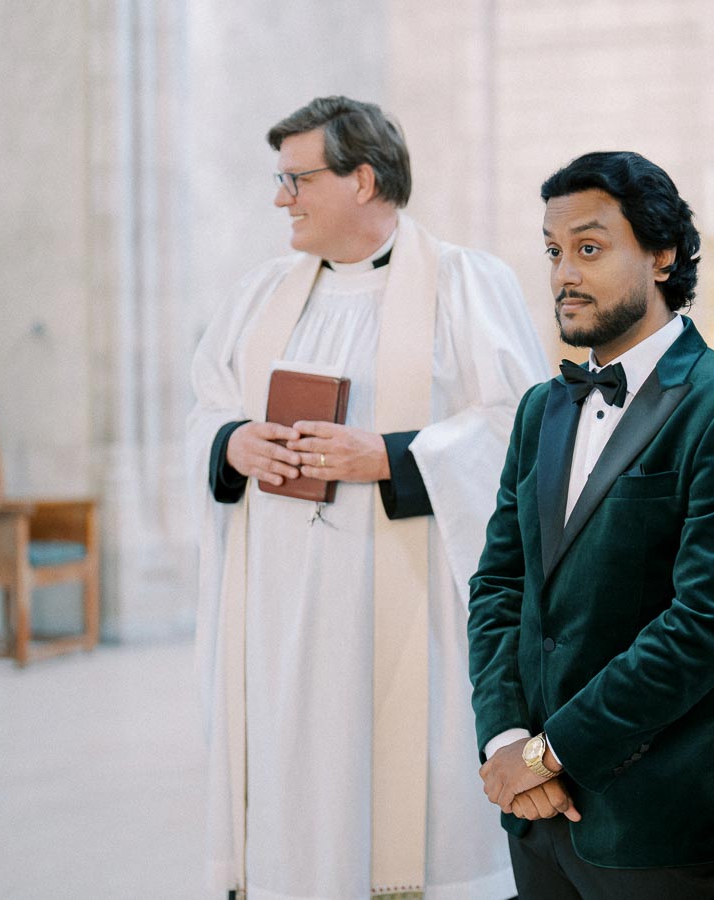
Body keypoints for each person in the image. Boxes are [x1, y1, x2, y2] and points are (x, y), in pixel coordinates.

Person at [187, 95, 547, 900]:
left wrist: (391, 457)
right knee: (293, 797)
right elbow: (205, 406)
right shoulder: (260, 296)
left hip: (404, 611)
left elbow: (521, 429)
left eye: (296, 179)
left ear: (361, 179)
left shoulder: (463, 284)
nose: (281, 197)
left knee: (396, 803)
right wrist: (230, 442)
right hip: (277, 623)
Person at [466, 150, 714, 898]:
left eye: (589, 248)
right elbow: (498, 585)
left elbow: (705, 627)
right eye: (553, 252)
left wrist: (553, 755)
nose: (563, 275)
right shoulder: (541, 408)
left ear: (662, 254)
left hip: (658, 812)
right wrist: (507, 739)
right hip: (536, 815)